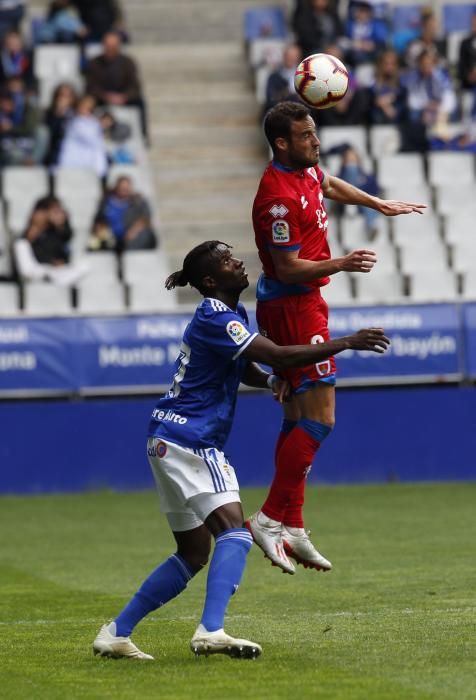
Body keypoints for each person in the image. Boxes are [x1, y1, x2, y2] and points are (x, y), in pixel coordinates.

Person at [92, 239, 390, 660]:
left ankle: (116, 632)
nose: (240, 262)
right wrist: (345, 342)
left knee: (193, 553)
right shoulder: (216, 315)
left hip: (165, 438)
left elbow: (244, 363)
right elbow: (279, 353)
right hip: (189, 439)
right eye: (229, 261)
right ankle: (211, 631)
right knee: (235, 532)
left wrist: (270, 382)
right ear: (212, 279)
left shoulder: (232, 314)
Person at [248, 101, 425, 573]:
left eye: (315, 133)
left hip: (300, 302)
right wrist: (342, 262)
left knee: (297, 413)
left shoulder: (304, 171)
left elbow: (326, 182)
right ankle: (268, 519)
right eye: (306, 136)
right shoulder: (277, 198)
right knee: (321, 418)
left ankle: (295, 524)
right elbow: (286, 266)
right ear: (282, 142)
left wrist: (376, 203)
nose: (316, 142)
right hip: (293, 305)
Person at [85, 31, 147, 141]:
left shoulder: (128, 62)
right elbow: (91, 86)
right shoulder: (94, 63)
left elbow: (135, 86)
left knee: (140, 103)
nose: (110, 49)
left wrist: (124, 97)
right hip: (102, 98)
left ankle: (142, 136)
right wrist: (106, 96)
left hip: (123, 98)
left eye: (113, 46)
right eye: (107, 46)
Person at [89, 175, 156, 252]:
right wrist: (100, 228)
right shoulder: (106, 202)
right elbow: (98, 219)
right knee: (96, 243)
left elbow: (146, 218)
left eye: (126, 188)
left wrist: (133, 232)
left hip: (132, 237)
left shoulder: (138, 201)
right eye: (122, 187)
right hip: (110, 237)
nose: (124, 190)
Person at [57, 93, 108, 176]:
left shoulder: (94, 122)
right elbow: (89, 138)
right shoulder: (72, 119)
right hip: (72, 160)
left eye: (89, 107)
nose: (85, 109)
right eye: (83, 105)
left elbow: (98, 143)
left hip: (90, 162)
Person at [369, 49, 408, 125]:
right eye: (386, 64)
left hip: (396, 114)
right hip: (378, 114)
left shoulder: (401, 82)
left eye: (392, 64)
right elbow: (373, 97)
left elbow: (400, 96)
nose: (389, 67)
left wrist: (391, 98)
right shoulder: (374, 81)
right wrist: (385, 105)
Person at [44, 82, 78, 166]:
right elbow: (51, 132)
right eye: (61, 95)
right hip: (54, 149)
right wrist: (59, 114)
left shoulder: (77, 114)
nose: (63, 99)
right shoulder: (48, 113)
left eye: (67, 96)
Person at [263, 43, 302, 115]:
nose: (290, 59)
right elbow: (271, 99)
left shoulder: (303, 77)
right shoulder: (274, 77)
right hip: (280, 115)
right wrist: (288, 92)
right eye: (288, 56)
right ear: (284, 57)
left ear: (298, 58)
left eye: (293, 57)